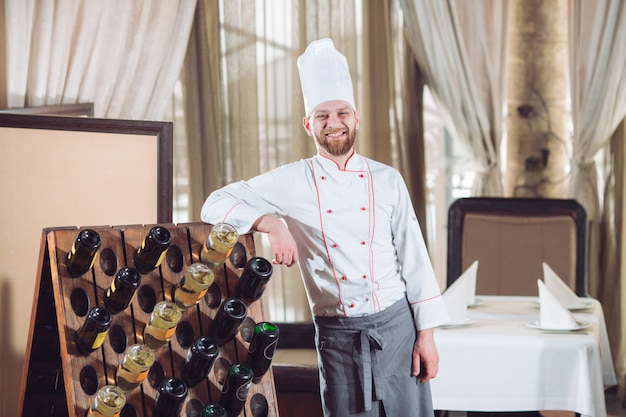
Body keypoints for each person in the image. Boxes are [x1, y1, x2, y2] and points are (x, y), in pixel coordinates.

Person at [201, 38, 449, 417]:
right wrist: (271, 223)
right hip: (338, 337)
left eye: (341, 113)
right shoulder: (293, 181)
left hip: (398, 329)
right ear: (308, 124)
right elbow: (213, 204)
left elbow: (415, 258)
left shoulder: (387, 179)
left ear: (356, 116)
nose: (334, 123)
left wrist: (426, 337)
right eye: (322, 116)